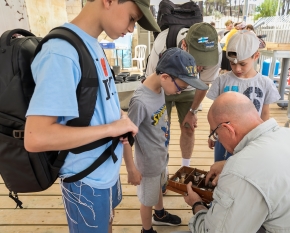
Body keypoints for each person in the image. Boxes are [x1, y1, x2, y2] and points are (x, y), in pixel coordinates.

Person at [24, 0, 160, 232]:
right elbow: (36, 137)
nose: (131, 29)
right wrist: (111, 129)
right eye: (132, 18)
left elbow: (105, 104)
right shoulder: (62, 53)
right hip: (85, 181)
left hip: (106, 170)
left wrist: (121, 129)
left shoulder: (92, 44)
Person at [183, 91, 290, 233]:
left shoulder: (241, 171)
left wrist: (197, 204)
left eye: (216, 135)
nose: (217, 141)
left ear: (228, 129)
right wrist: (228, 165)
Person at [124, 47, 208, 233]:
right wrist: (131, 169)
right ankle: (147, 230)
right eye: (181, 87)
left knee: (159, 188)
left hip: (160, 155)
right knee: (147, 200)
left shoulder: (161, 88)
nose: (180, 92)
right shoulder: (140, 102)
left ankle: (160, 214)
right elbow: (125, 139)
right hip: (147, 164)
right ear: (165, 77)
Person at [145, 22, 222, 168]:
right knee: (160, 130)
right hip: (162, 88)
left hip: (191, 89)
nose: (199, 68)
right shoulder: (162, 44)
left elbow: (204, 82)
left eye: (204, 63)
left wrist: (193, 111)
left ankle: (185, 167)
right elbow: (151, 82)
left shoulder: (216, 51)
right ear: (184, 46)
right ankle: (162, 169)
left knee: (188, 127)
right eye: (195, 60)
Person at [207, 30, 280, 162]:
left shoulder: (265, 83)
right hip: (224, 139)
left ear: (256, 56)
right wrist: (212, 133)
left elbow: (264, 112)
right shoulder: (222, 81)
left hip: (251, 139)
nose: (237, 69)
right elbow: (214, 112)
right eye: (232, 64)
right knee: (220, 169)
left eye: (242, 64)